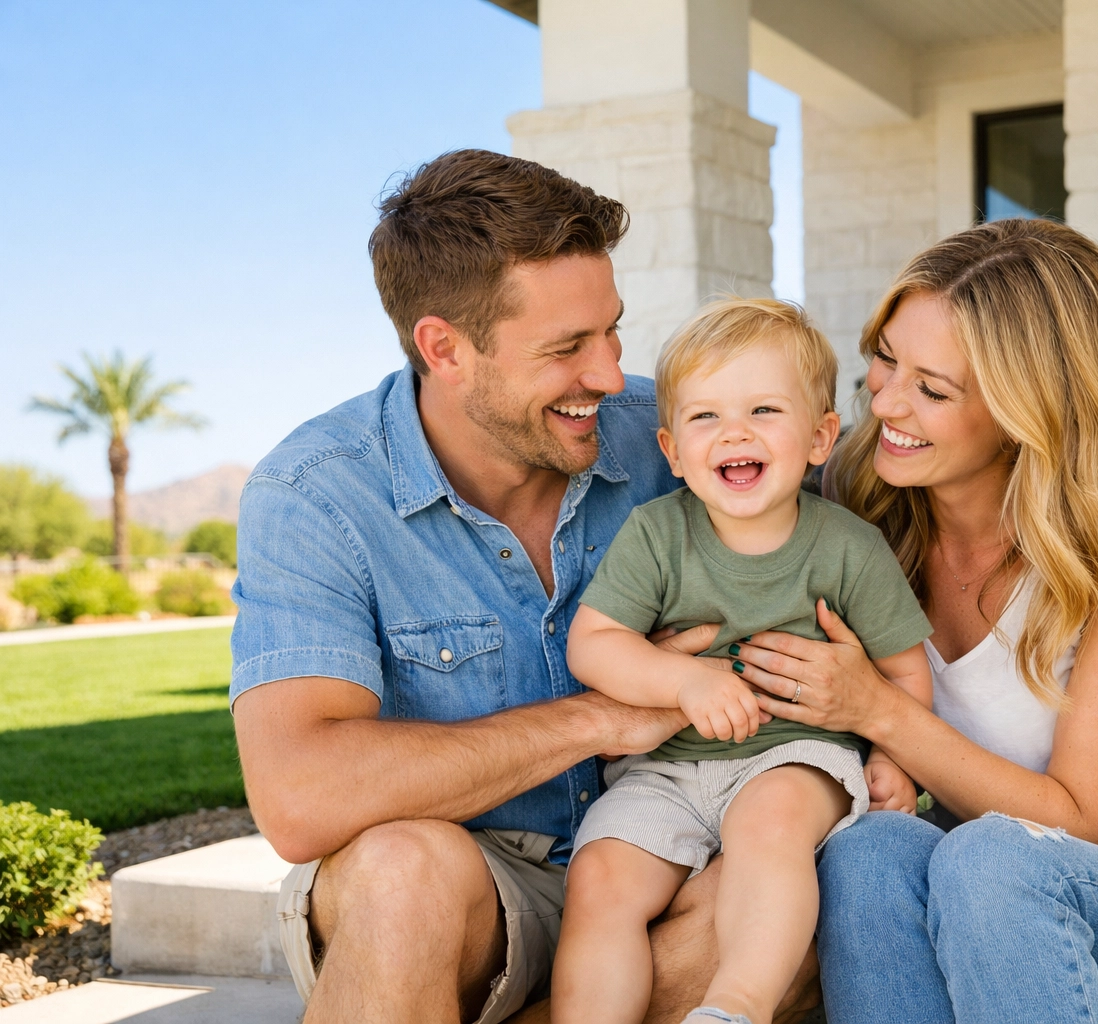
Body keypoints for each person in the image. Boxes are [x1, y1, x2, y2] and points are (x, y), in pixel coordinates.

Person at [228, 151, 816, 1024]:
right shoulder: (317, 493)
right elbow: (302, 797)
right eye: (567, 348)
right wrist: (601, 716)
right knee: (401, 876)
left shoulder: (682, 440)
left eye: (611, 330)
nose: (611, 375)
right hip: (466, 891)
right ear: (444, 348)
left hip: (672, 855)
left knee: (802, 890)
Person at [727, 219, 1098, 1024]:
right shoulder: (862, 507)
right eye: (886, 358)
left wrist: (876, 707)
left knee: (993, 857)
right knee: (867, 852)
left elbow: (1084, 821)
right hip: (986, 912)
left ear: (1028, 410)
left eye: (933, 389)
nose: (886, 402)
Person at [552, 299, 933, 1024]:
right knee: (601, 878)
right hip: (664, 770)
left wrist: (894, 757)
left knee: (771, 828)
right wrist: (682, 679)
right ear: (669, 450)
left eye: (763, 409)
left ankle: (735, 1007)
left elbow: (905, 672)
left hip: (793, 756)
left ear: (821, 437)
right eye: (705, 418)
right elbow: (594, 643)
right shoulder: (658, 534)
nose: (734, 432)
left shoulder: (847, 548)